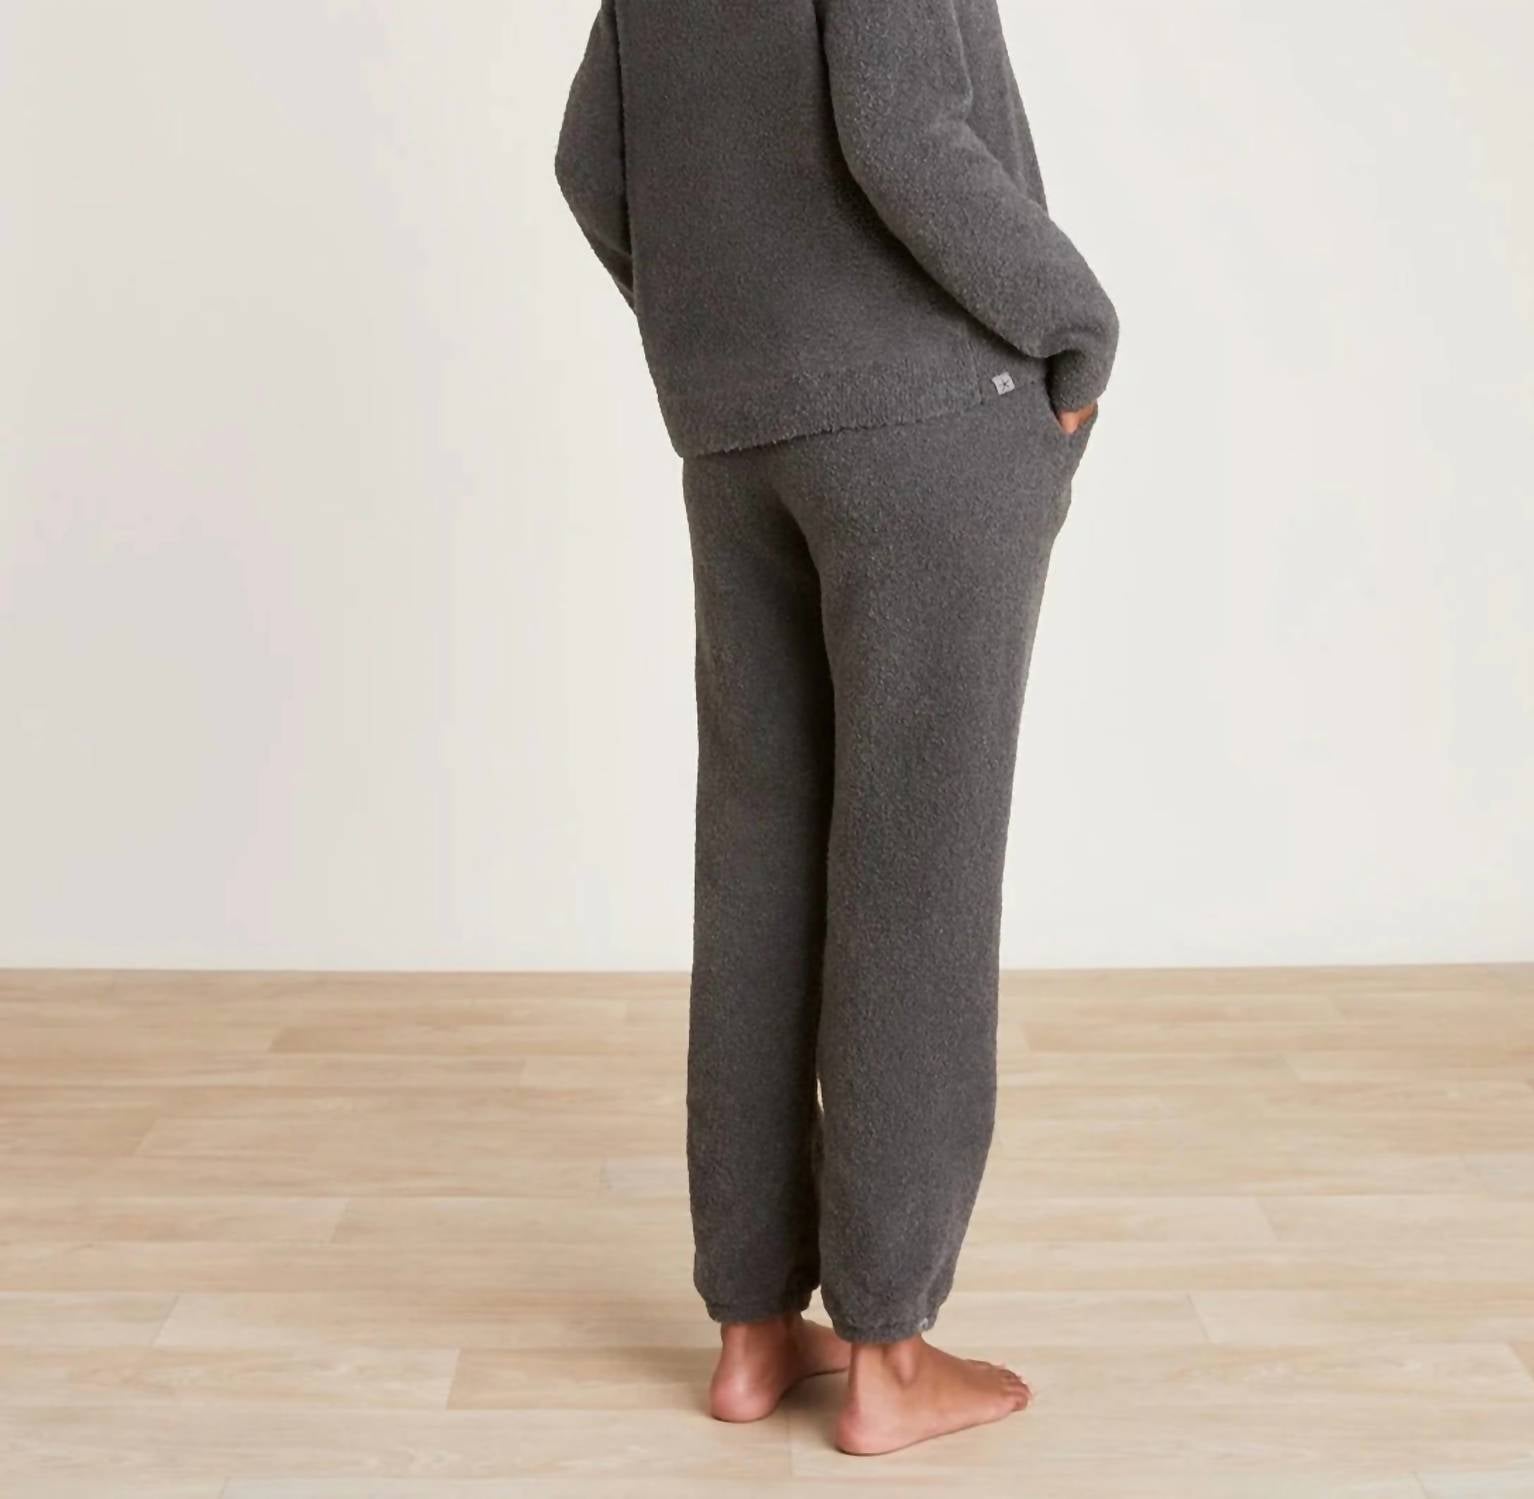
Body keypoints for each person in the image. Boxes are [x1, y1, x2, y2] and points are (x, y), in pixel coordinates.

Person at [555, 0, 1118, 1456]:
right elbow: (900, 130)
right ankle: (886, 1354)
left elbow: (589, 161)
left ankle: (751, 1333)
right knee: (915, 874)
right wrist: (1077, 325)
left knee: (758, 857)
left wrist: (725, 343)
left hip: (736, 435)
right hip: (924, 417)